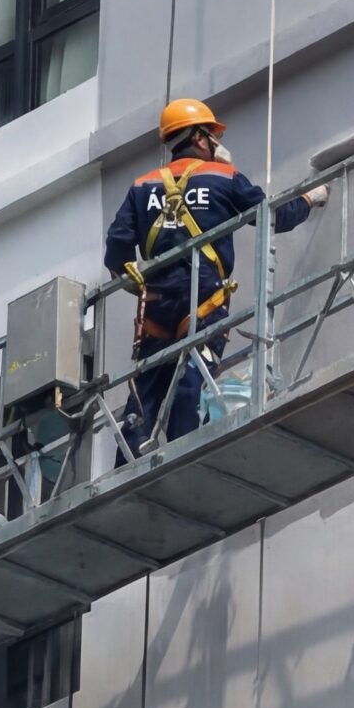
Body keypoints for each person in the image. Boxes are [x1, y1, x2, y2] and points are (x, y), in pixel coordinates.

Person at [105, 98, 325, 448]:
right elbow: (274, 217)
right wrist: (310, 199)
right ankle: (183, 451)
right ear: (198, 137)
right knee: (192, 379)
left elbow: (117, 246)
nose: (216, 143)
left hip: (157, 301)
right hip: (203, 295)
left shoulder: (142, 186)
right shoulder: (224, 178)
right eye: (212, 136)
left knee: (146, 388)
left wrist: (131, 279)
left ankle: (129, 457)